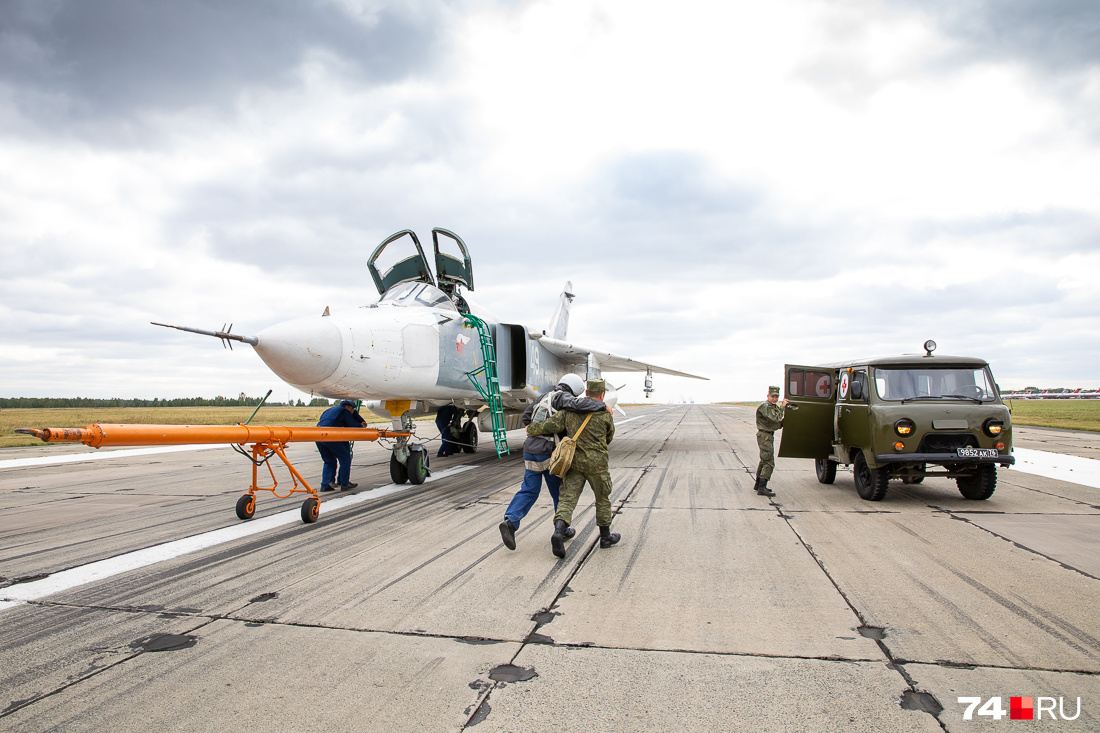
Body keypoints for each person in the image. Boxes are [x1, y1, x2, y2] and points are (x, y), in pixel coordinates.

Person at [498, 373, 606, 551]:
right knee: (559, 491)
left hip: (530, 450)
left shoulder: (542, 396)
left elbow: (526, 416)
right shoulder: (563, 397)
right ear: (574, 389)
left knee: (529, 490)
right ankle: (562, 530)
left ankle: (510, 521)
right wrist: (601, 405)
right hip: (548, 451)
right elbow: (579, 405)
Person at [526, 378, 618, 558]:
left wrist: (531, 429)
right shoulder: (605, 413)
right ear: (602, 394)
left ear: (585, 393)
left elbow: (549, 425)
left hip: (574, 463)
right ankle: (606, 537)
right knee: (602, 499)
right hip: (597, 465)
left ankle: (559, 532)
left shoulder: (569, 411)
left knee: (567, 499)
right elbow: (609, 437)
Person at [316, 399, 367, 491]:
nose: (352, 412)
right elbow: (352, 425)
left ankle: (326, 484)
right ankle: (344, 483)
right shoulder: (344, 411)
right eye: (352, 409)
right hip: (331, 435)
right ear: (347, 407)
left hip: (318, 435)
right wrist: (361, 425)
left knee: (329, 461)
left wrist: (354, 413)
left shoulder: (330, 410)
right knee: (345, 458)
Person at [754, 386, 788, 497]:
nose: (774, 398)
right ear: (768, 396)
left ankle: (758, 484)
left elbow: (776, 424)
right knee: (769, 462)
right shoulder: (765, 407)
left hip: (767, 436)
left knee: (764, 460)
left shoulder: (772, 407)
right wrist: (783, 407)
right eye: (772, 396)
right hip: (765, 436)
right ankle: (762, 488)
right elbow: (775, 419)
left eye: (776, 396)